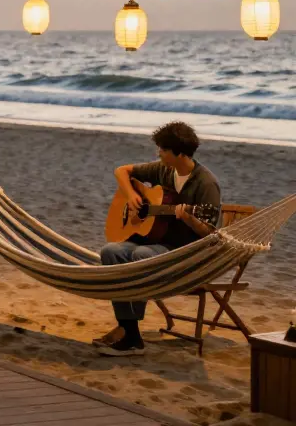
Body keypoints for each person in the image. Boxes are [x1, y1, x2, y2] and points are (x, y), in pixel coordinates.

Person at [94, 121, 220, 357]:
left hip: (183, 253)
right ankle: (130, 331)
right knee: (110, 251)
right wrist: (131, 195)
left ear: (178, 153)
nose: (158, 153)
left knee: (141, 256)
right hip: (153, 242)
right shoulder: (163, 169)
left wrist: (189, 219)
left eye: (162, 149)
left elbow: (212, 234)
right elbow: (121, 171)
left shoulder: (206, 183)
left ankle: (129, 334)